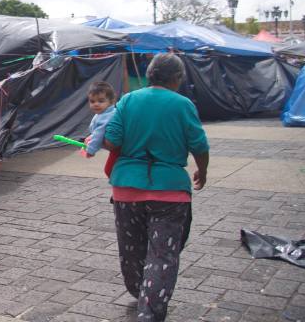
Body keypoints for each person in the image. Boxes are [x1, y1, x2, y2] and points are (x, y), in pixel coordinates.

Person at [102, 52, 210, 321]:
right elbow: (199, 145)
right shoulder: (183, 104)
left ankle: (140, 291)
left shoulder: (128, 100)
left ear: (149, 75)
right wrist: (203, 170)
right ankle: (149, 310)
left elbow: (112, 141)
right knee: (163, 255)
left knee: (131, 250)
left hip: (126, 189)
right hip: (170, 193)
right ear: (177, 78)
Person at [79, 81, 116, 159]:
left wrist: (91, 150)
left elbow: (99, 134)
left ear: (111, 101)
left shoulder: (107, 116)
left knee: (111, 165)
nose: (96, 104)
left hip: (118, 148)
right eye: (92, 101)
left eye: (101, 101)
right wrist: (90, 137)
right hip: (116, 146)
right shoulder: (104, 113)